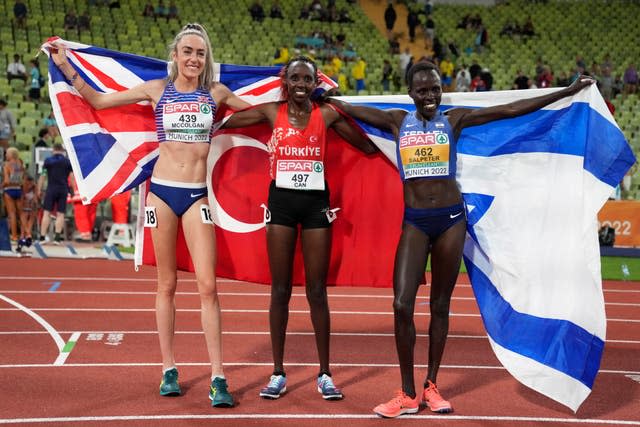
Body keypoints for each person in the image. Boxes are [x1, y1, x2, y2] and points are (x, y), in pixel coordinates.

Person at [323, 61, 595, 418]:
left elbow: (508, 109)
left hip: (451, 220)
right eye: (422, 90)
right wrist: (322, 96)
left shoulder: (453, 120)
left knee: (440, 305)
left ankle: (431, 386)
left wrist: (565, 91)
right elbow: (345, 106)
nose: (430, 95)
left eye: (435, 88)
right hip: (416, 222)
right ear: (410, 94)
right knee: (402, 304)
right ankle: (406, 393)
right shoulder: (395, 120)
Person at [50, 22, 250, 407]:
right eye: (188, 51)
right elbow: (99, 101)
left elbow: (264, 112)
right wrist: (66, 66)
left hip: (196, 196)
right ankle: (169, 369)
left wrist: (312, 97)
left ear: (206, 59)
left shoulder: (216, 93)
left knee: (208, 286)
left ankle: (218, 376)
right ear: (174, 56)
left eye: (201, 53)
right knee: (167, 285)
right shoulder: (157, 90)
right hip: (160, 195)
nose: (194, 58)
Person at [220, 56, 377, 401]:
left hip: (316, 205)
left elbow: (366, 145)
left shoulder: (328, 115)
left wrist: (340, 106)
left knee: (317, 291)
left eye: (308, 78)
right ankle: (277, 372)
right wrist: (212, 99)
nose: (302, 84)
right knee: (280, 290)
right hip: (281, 205)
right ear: (286, 81)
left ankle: (325, 373)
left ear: (315, 83)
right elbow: (225, 124)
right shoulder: (270, 112)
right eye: (296, 78)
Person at [37, 143, 74, 244]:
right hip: (63, 189)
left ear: (53, 150)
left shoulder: (48, 161)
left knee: (47, 213)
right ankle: (57, 238)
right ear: (62, 150)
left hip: (51, 189)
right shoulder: (67, 162)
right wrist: (73, 190)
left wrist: (39, 189)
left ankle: (42, 237)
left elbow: (43, 176)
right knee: (60, 214)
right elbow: (71, 177)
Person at [3, 147, 26, 243]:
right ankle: (26, 234)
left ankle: (14, 236)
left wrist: (1, 186)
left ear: (10, 155)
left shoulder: (7, 165)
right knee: (21, 214)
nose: (5, 155)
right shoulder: (20, 164)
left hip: (9, 190)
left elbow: (7, 181)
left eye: (7, 153)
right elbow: (22, 180)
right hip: (18, 189)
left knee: (12, 214)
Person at [17, 174, 37, 250]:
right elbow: (21, 204)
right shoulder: (22, 188)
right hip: (24, 207)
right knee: (23, 217)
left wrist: (32, 204)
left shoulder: (34, 187)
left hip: (31, 207)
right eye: (27, 183)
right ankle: (25, 236)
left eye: (31, 183)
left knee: (31, 217)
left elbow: (35, 200)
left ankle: (27, 235)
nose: (29, 185)